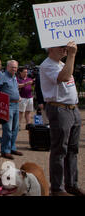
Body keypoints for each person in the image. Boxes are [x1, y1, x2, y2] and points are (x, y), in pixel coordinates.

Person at [40, 42, 84, 196]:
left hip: (72, 109)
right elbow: (64, 78)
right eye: (61, 46)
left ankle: (71, 184)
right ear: (50, 48)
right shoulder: (47, 65)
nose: (65, 49)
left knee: (72, 149)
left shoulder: (60, 63)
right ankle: (57, 188)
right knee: (60, 149)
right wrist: (72, 55)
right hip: (60, 109)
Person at [0, 60, 23, 160]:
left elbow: (14, 88)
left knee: (15, 128)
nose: (14, 69)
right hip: (7, 105)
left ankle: (12, 147)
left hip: (16, 104)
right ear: (7, 67)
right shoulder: (2, 76)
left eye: (15, 67)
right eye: (12, 67)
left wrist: (18, 96)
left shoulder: (14, 76)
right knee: (8, 129)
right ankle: (5, 150)